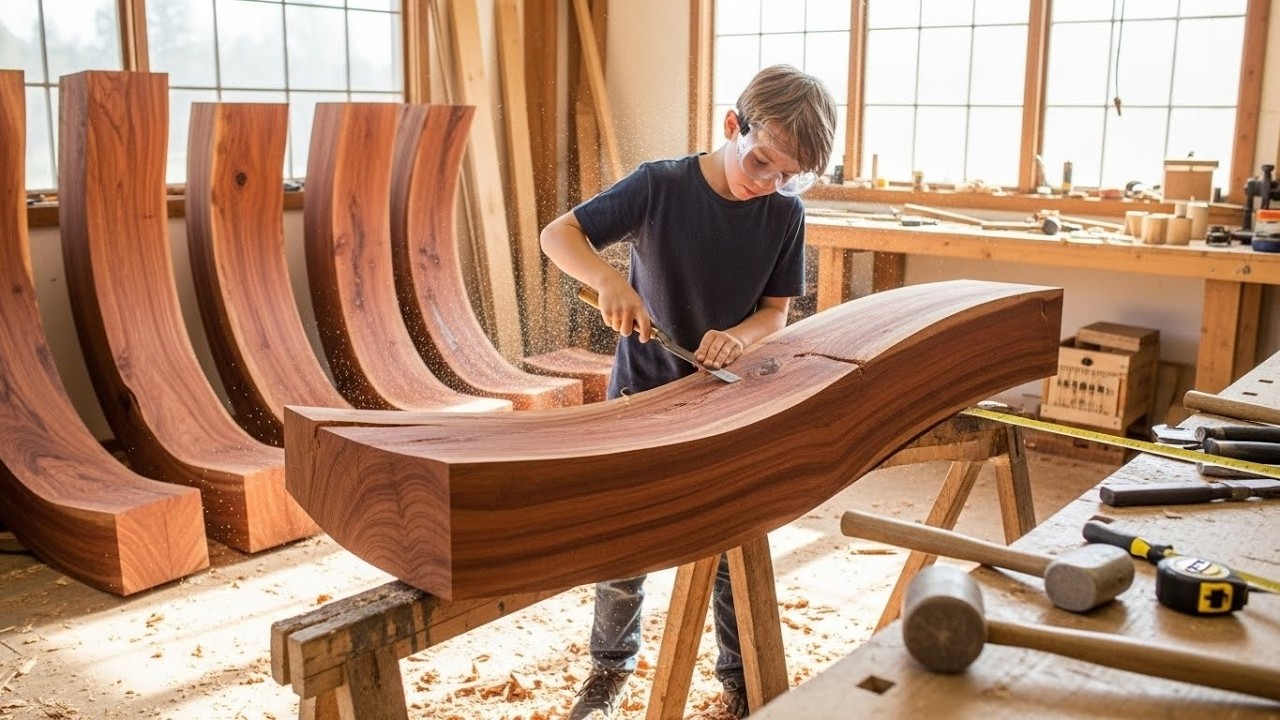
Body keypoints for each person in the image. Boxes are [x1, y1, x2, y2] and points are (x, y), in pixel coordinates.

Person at [539, 64, 838, 720]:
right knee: (624, 542)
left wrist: (738, 337)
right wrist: (609, 283)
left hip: (724, 400)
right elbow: (557, 235)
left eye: (790, 176)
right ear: (733, 126)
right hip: (641, 396)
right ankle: (610, 669)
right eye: (762, 163)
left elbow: (776, 315)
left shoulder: (784, 212)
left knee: (733, 543)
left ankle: (741, 677)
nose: (771, 184)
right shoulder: (661, 186)